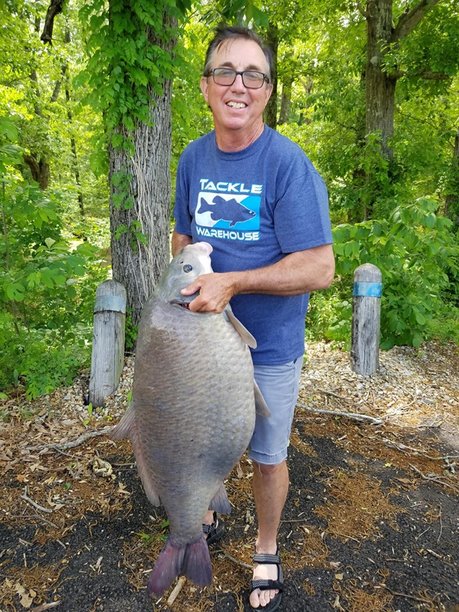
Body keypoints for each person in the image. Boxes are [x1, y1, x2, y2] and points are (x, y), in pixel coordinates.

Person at [172, 24, 334, 611]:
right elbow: (183, 235)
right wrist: (189, 290)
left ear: (267, 90)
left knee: (267, 456)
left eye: (253, 75)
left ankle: (266, 548)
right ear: (206, 85)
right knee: (201, 441)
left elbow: (319, 268)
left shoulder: (288, 165)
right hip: (201, 344)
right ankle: (205, 513)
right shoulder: (193, 157)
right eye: (225, 72)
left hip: (268, 346)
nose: (238, 84)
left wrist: (235, 281)